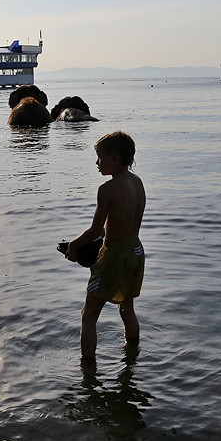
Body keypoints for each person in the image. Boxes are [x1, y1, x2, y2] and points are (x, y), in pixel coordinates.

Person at [66, 131, 146, 360]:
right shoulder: (137, 182)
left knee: (88, 314)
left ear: (115, 158)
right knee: (127, 308)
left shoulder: (107, 189)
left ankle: (87, 368)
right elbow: (120, 223)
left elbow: (95, 230)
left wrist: (73, 245)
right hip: (136, 251)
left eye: (100, 158)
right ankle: (133, 355)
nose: (97, 163)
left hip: (114, 255)